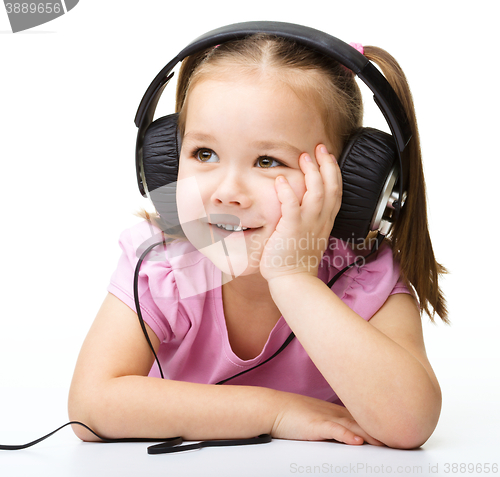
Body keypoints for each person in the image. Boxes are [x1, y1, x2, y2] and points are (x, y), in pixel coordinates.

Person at [68, 26, 447, 450]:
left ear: (354, 185)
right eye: (204, 154)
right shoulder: (164, 266)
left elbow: (409, 424)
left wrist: (294, 279)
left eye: (268, 161)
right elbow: (90, 407)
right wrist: (277, 412)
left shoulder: (363, 275)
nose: (226, 192)